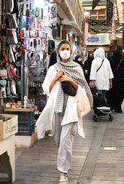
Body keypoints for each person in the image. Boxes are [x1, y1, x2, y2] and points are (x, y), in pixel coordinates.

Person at [36, 40, 93, 184]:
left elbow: (82, 87)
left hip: (71, 108)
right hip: (57, 107)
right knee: (58, 138)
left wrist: (69, 79)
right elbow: (46, 90)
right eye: (63, 49)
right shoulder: (53, 69)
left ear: (71, 51)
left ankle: (63, 172)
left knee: (66, 140)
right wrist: (55, 78)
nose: (65, 51)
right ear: (58, 51)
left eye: (68, 48)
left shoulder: (77, 68)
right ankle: (63, 164)